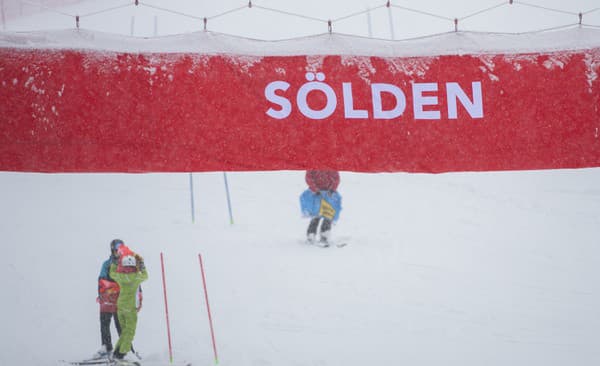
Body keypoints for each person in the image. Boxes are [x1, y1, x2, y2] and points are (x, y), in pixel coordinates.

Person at [109, 247, 148, 362]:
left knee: (125, 331)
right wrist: (142, 265)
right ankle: (122, 354)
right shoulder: (136, 277)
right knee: (129, 331)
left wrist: (115, 263)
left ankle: (117, 353)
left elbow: (112, 273)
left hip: (120, 307)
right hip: (130, 308)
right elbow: (146, 275)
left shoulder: (120, 277)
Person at [94, 239, 124, 359]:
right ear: (112, 249)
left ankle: (125, 348)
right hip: (108, 298)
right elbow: (101, 280)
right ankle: (106, 346)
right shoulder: (107, 264)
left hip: (121, 299)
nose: (119, 251)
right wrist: (102, 294)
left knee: (120, 324)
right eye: (117, 248)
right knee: (104, 322)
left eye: (121, 248)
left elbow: (133, 281)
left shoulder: (126, 263)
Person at [301, 170, 342, 245]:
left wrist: (332, 190)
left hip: (329, 195)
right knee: (316, 216)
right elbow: (308, 178)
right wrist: (315, 190)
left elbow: (336, 178)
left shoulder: (331, 165)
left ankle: (324, 235)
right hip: (316, 195)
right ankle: (311, 235)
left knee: (328, 215)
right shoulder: (313, 165)